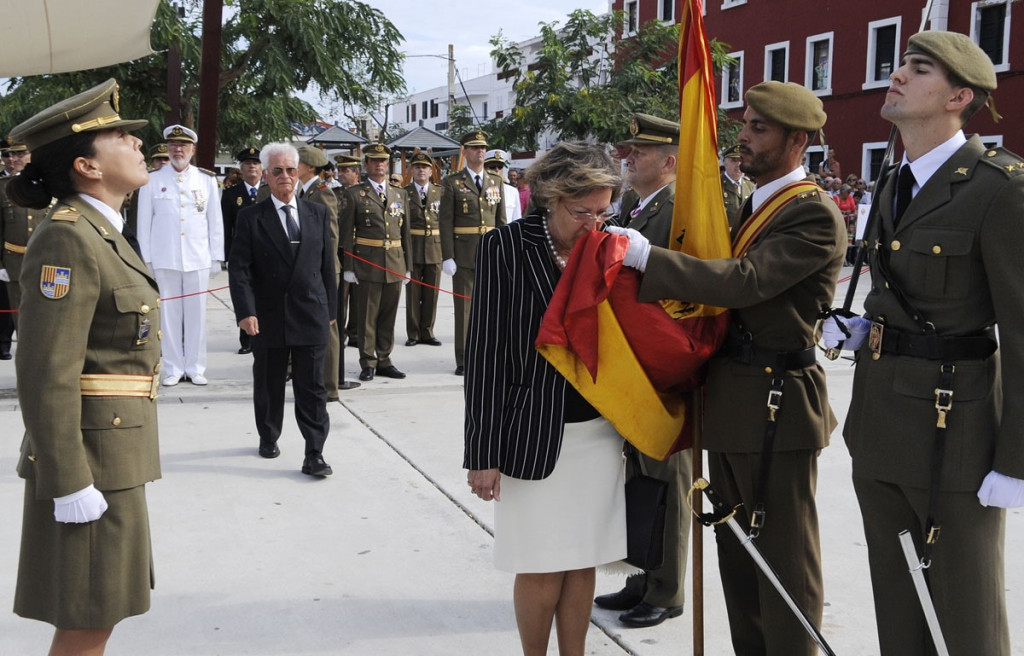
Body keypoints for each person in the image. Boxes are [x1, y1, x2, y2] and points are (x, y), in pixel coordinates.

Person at [611, 80, 845, 655]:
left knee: (784, 557)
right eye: (743, 126)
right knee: (738, 552)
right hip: (736, 401)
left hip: (776, 404)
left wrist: (648, 257)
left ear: (797, 140)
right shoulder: (755, 202)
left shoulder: (812, 213)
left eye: (757, 129)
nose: (743, 138)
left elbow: (746, 282)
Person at [824, 31, 1024, 655]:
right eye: (900, 64)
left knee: (966, 617)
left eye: (918, 69)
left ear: (959, 96)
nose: (898, 76)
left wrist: (1015, 462)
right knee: (898, 610)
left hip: (956, 437)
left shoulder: (1000, 187)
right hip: (880, 421)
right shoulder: (894, 182)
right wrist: (865, 329)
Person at [7, 78, 162, 656]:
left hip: (115, 450)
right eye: (120, 137)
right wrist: (67, 479)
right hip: (91, 460)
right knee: (89, 616)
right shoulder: (69, 238)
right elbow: (46, 370)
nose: (136, 144)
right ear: (86, 165)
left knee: (101, 610)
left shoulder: (103, 231)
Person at [465, 141, 626, 656]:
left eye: (603, 211)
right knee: (539, 563)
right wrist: (483, 453)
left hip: (599, 434)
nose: (594, 223)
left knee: (582, 559)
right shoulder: (504, 248)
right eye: (583, 212)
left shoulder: (612, 248)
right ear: (550, 199)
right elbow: (486, 355)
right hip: (531, 433)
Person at [594, 112, 692, 629]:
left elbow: (684, 285)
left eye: (640, 152)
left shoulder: (679, 207)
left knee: (667, 478)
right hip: (631, 361)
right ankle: (643, 573)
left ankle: (668, 588)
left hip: (661, 363)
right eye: (630, 150)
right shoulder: (636, 204)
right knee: (638, 474)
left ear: (669, 162)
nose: (629, 158)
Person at [228, 141, 337, 477]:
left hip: (310, 314)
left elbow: (327, 266)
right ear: (265, 174)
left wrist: (331, 310)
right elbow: (240, 269)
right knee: (269, 383)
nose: (286, 177)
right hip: (267, 317)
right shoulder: (250, 217)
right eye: (277, 171)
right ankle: (268, 434)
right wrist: (245, 312)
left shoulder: (317, 213)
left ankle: (314, 452)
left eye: (291, 170)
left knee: (312, 389)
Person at [136, 123, 224, 387]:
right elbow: (143, 223)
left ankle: (196, 367)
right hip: (165, 257)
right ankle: (173, 367)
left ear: (193, 149)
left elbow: (214, 221)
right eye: (174, 145)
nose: (178, 149)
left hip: (197, 257)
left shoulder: (206, 180)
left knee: (197, 315)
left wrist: (216, 256)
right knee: (169, 316)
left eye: (183, 145)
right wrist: (146, 259)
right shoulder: (152, 179)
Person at [338, 143, 412, 382]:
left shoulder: (400, 193)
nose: (380, 164)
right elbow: (347, 233)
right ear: (367, 164)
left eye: (383, 160)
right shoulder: (354, 194)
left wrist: (408, 265)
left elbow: (406, 233)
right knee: (367, 315)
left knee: (388, 316)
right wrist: (349, 267)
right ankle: (368, 361)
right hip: (367, 263)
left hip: (394, 261)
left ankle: (384, 359)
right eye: (374, 160)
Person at [439, 129, 506, 376]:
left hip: (489, 253)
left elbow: (501, 222)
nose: (480, 151)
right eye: (475, 148)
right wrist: (448, 255)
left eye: (483, 148)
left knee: (490, 309)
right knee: (465, 310)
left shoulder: (496, 181)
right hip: (464, 254)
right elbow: (445, 222)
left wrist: (503, 251)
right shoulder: (453, 182)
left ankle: (487, 355)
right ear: (465, 151)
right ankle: (465, 359)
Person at [296, 145, 344, 400]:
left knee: (328, 327)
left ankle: (329, 386)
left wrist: (320, 267)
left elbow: (331, 236)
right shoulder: (305, 191)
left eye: (298, 163)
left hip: (323, 271)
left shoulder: (322, 193)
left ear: (310, 167)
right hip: (310, 270)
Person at [220, 147, 264, 355]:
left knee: (265, 296)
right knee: (244, 295)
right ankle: (246, 338)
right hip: (242, 254)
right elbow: (226, 227)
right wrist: (227, 256)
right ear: (242, 168)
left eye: (255, 163)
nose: (252, 167)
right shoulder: (232, 195)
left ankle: (263, 334)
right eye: (248, 164)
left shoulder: (269, 191)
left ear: (262, 168)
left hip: (266, 253)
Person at [0, 137, 38, 358]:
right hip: (14, 262)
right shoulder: (3, 188)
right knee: (21, 320)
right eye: (9, 154)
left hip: (46, 262)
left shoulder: (49, 185)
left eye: (20, 153)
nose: (14, 159)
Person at [403, 151, 444, 347]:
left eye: (425, 167)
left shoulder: (441, 192)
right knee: (413, 294)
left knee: (432, 293)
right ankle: (413, 333)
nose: (421, 170)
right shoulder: (403, 193)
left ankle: (427, 331)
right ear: (412, 170)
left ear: (431, 171)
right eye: (417, 167)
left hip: (435, 248)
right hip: (412, 246)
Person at [333, 153, 362, 352]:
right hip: (339, 250)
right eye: (339, 170)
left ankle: (356, 334)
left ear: (356, 173)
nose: (340, 173)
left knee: (359, 297)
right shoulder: (333, 194)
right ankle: (339, 334)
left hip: (361, 251)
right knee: (339, 296)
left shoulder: (364, 193)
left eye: (345, 170)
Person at [721, 143, 755, 232]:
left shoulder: (751, 186)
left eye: (740, 160)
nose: (738, 164)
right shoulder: (716, 185)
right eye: (733, 160)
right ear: (725, 163)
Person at [485, 149, 523, 221]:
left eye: (500, 166)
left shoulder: (513, 192)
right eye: (492, 166)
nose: (497, 170)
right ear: (485, 168)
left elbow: (517, 218)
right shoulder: (480, 189)